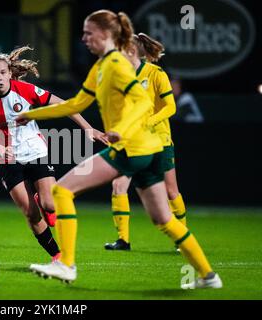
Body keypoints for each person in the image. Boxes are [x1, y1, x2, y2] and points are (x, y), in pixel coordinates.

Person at [16, 10, 222, 289]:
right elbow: (76, 103)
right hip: (147, 150)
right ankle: (208, 276)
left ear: (105, 34)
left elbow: (142, 103)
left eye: (89, 33)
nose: (84, 38)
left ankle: (66, 265)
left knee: (61, 191)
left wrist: (121, 130)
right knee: (163, 219)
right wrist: (33, 115)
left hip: (132, 148)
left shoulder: (115, 64)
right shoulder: (102, 66)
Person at [0, 46, 106, 264]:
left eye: (3, 72)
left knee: (50, 205)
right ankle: (57, 255)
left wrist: (88, 128)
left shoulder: (25, 90)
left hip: (35, 151)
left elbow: (64, 105)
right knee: (31, 214)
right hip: (7, 158)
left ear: (9, 73)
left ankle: (42, 199)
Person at [104, 33, 187, 251]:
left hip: (159, 139)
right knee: (118, 185)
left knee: (171, 192)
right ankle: (123, 240)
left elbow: (171, 107)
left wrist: (148, 122)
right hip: (132, 140)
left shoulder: (155, 73)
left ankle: (182, 239)